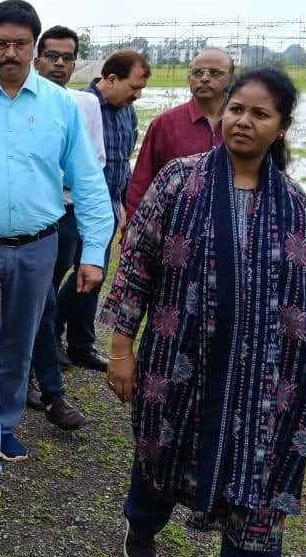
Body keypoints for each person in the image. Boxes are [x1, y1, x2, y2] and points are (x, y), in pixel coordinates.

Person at [102, 66, 306, 557]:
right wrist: (121, 349)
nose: (244, 121)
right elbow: (136, 265)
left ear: (280, 127)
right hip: (179, 365)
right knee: (162, 452)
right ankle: (143, 523)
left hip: (270, 383)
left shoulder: (293, 203)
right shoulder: (179, 182)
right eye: (237, 109)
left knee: (263, 485)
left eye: (261, 114)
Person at [0, 0, 112, 509]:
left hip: (40, 245)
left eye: (21, 44)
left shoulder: (62, 107)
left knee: (19, 345)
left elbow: (88, 181)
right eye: (1, 43)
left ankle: (3, 424)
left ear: (34, 48)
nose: (11, 53)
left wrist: (94, 251)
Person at [26, 25, 104, 428]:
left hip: (67, 217)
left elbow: (93, 166)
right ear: (37, 59)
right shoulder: (20, 102)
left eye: (67, 57)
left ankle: (38, 380)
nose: (59, 64)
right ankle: (47, 389)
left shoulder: (83, 105)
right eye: (52, 56)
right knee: (41, 302)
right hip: (30, 220)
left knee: (45, 301)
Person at [57, 49, 148, 371]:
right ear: (111, 79)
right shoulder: (80, 106)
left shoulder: (127, 112)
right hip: (73, 207)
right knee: (65, 274)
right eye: (133, 87)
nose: (137, 95)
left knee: (94, 277)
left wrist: (125, 207)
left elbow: (123, 160)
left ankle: (81, 344)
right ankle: (49, 334)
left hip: (107, 206)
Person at [124, 48, 233, 221]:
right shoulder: (165, 124)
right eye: (197, 73)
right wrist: (133, 227)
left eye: (214, 73)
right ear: (189, 78)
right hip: (174, 227)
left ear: (231, 78)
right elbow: (141, 183)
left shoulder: (241, 125)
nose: (204, 78)